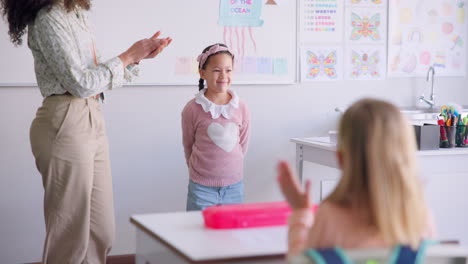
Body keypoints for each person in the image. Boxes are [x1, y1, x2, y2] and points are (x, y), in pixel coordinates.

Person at [0, 0, 172, 263]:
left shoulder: (76, 13)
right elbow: (81, 83)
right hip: (65, 119)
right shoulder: (48, 18)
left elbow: (96, 77)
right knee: (70, 234)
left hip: (92, 115)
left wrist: (136, 59)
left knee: (102, 230)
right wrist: (127, 56)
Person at [277, 98, 435, 261]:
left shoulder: (329, 219)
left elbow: (300, 261)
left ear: (340, 158)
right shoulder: (420, 217)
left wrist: (301, 212)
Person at [181, 43, 251, 211]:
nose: (223, 76)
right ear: (202, 72)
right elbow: (188, 145)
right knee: (198, 231)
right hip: (201, 189)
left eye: (228, 70)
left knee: (231, 234)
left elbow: (243, 144)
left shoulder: (241, 107)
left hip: (234, 187)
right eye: (216, 70)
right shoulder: (192, 109)